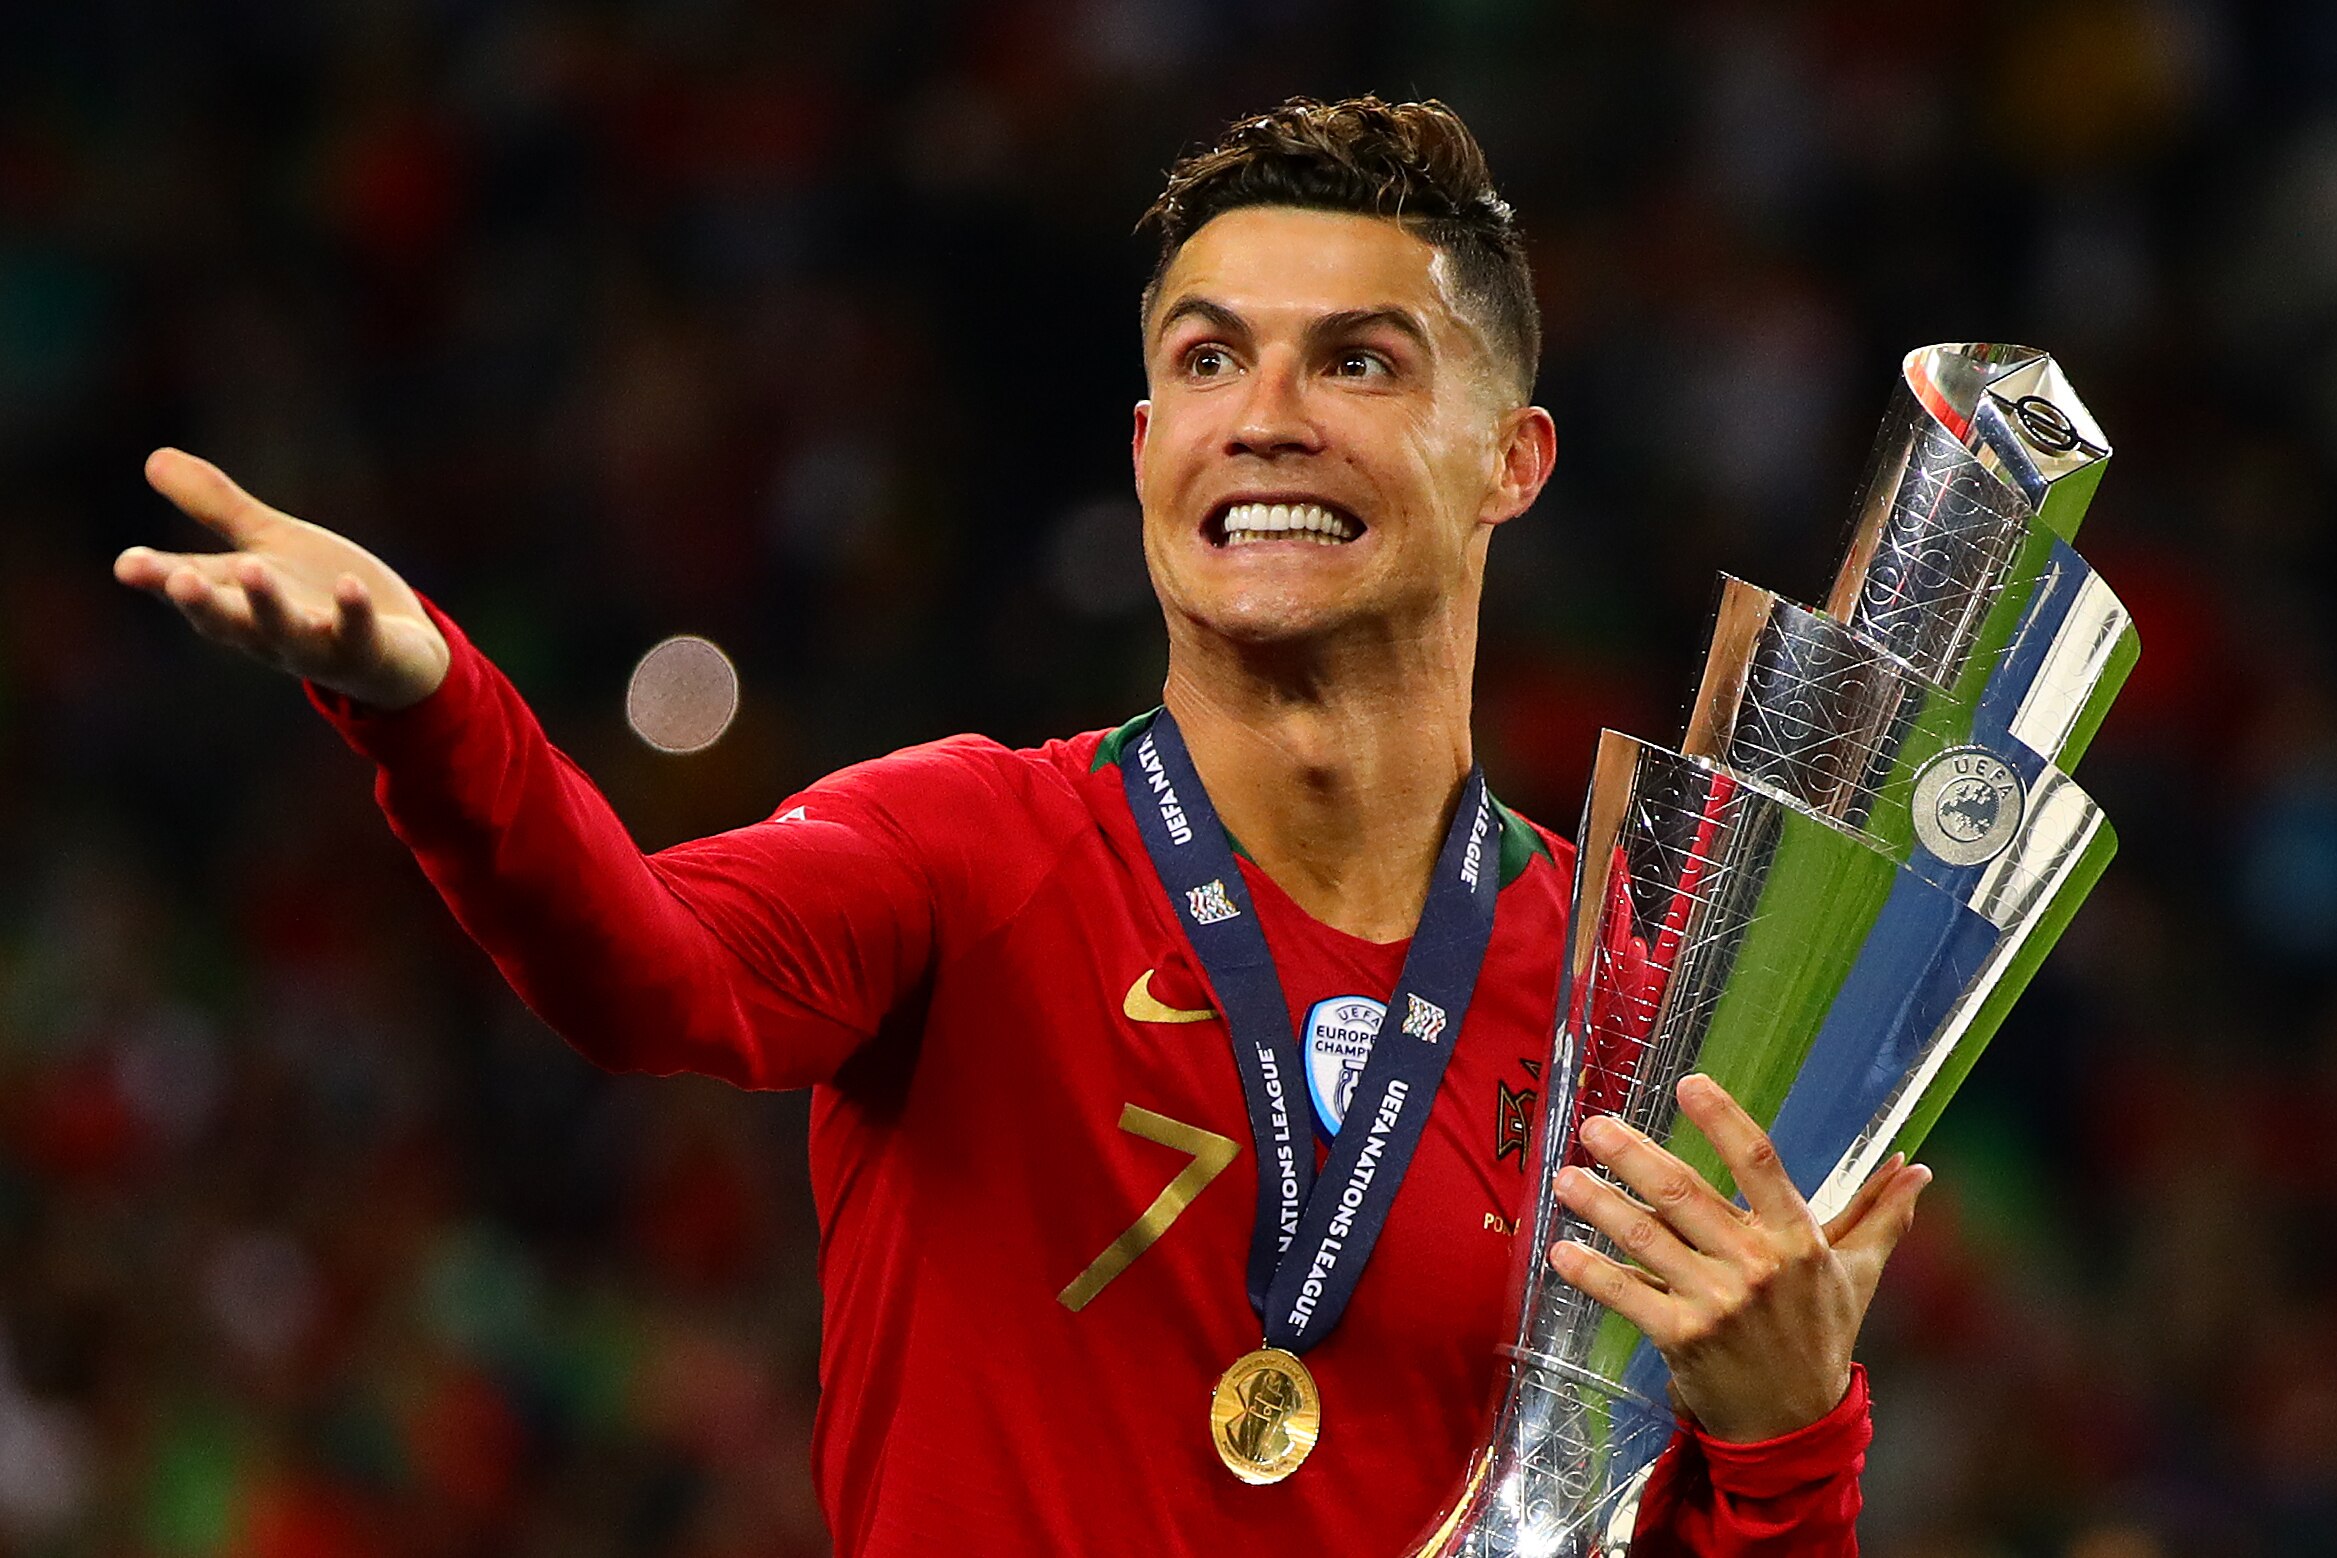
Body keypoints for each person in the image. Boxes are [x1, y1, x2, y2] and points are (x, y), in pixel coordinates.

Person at [115, 97, 1929, 1555]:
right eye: (1208, 364)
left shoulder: (1625, 1003)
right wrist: (434, 702)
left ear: (1508, 460)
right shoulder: (966, 847)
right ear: (1144, 444)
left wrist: (1786, 1439)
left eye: (1359, 364)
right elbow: (643, 974)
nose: (1265, 420)